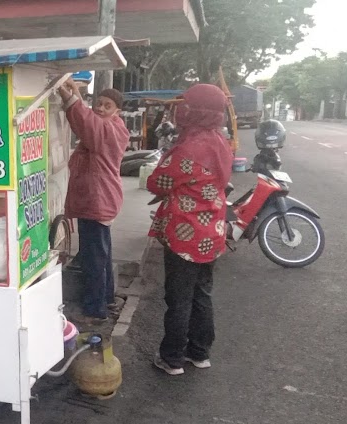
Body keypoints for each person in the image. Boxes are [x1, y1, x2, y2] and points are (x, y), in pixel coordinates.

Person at [146, 84, 233, 375]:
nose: (181, 109)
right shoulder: (220, 142)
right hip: (212, 233)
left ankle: (171, 358)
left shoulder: (188, 149)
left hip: (185, 235)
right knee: (201, 294)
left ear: (197, 111)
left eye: (186, 104)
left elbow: (156, 183)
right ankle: (199, 353)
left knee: (179, 298)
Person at [57, 79, 130, 328]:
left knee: (94, 258)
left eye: (107, 106)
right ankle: (106, 299)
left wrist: (71, 98)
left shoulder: (108, 131)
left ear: (117, 111)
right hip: (100, 200)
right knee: (102, 254)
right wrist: (76, 96)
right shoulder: (112, 126)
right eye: (98, 103)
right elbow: (88, 122)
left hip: (97, 201)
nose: (100, 108)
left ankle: (95, 310)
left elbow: (88, 125)